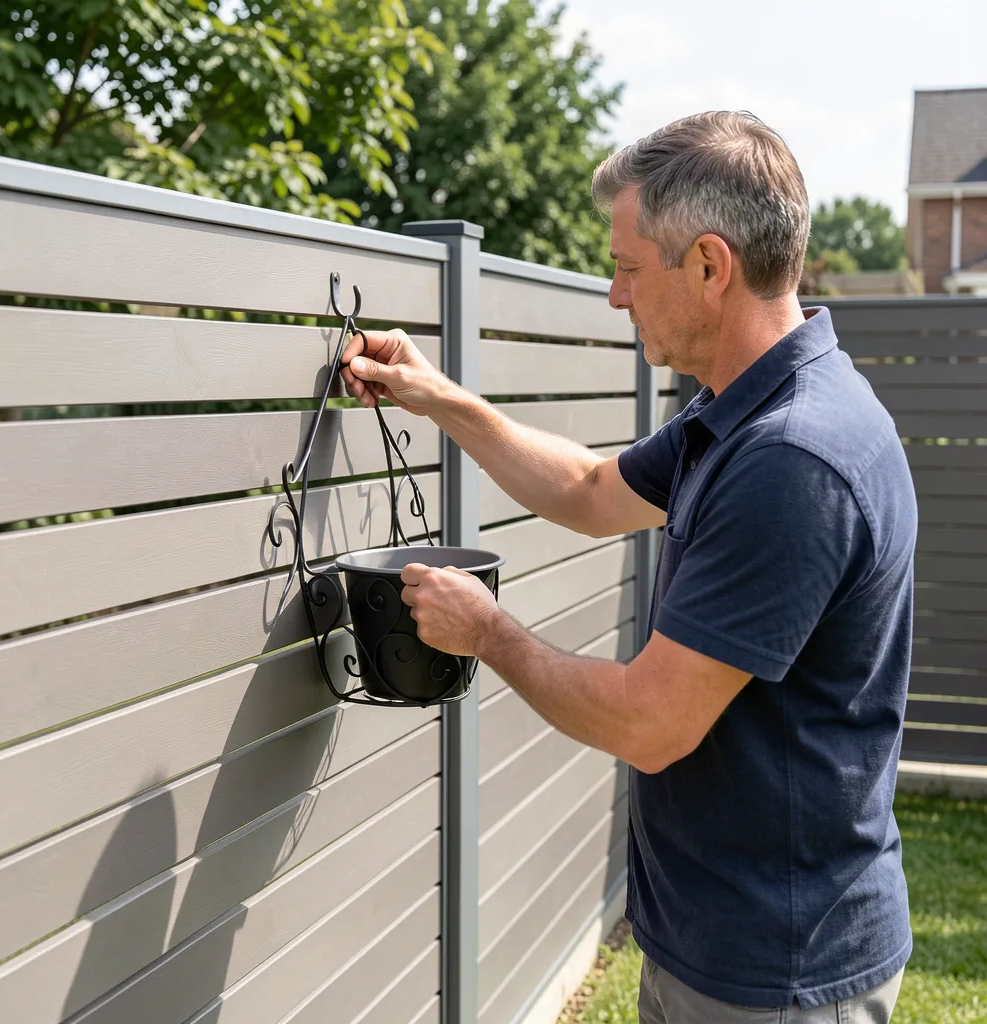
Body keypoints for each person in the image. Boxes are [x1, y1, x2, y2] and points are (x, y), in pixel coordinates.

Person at [340, 111, 915, 1024]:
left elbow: (652, 725)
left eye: (629, 268)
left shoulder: (791, 458)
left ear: (710, 266)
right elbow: (590, 489)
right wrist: (435, 392)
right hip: (720, 944)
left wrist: (485, 631)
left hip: (776, 973)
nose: (615, 296)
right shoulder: (735, 415)